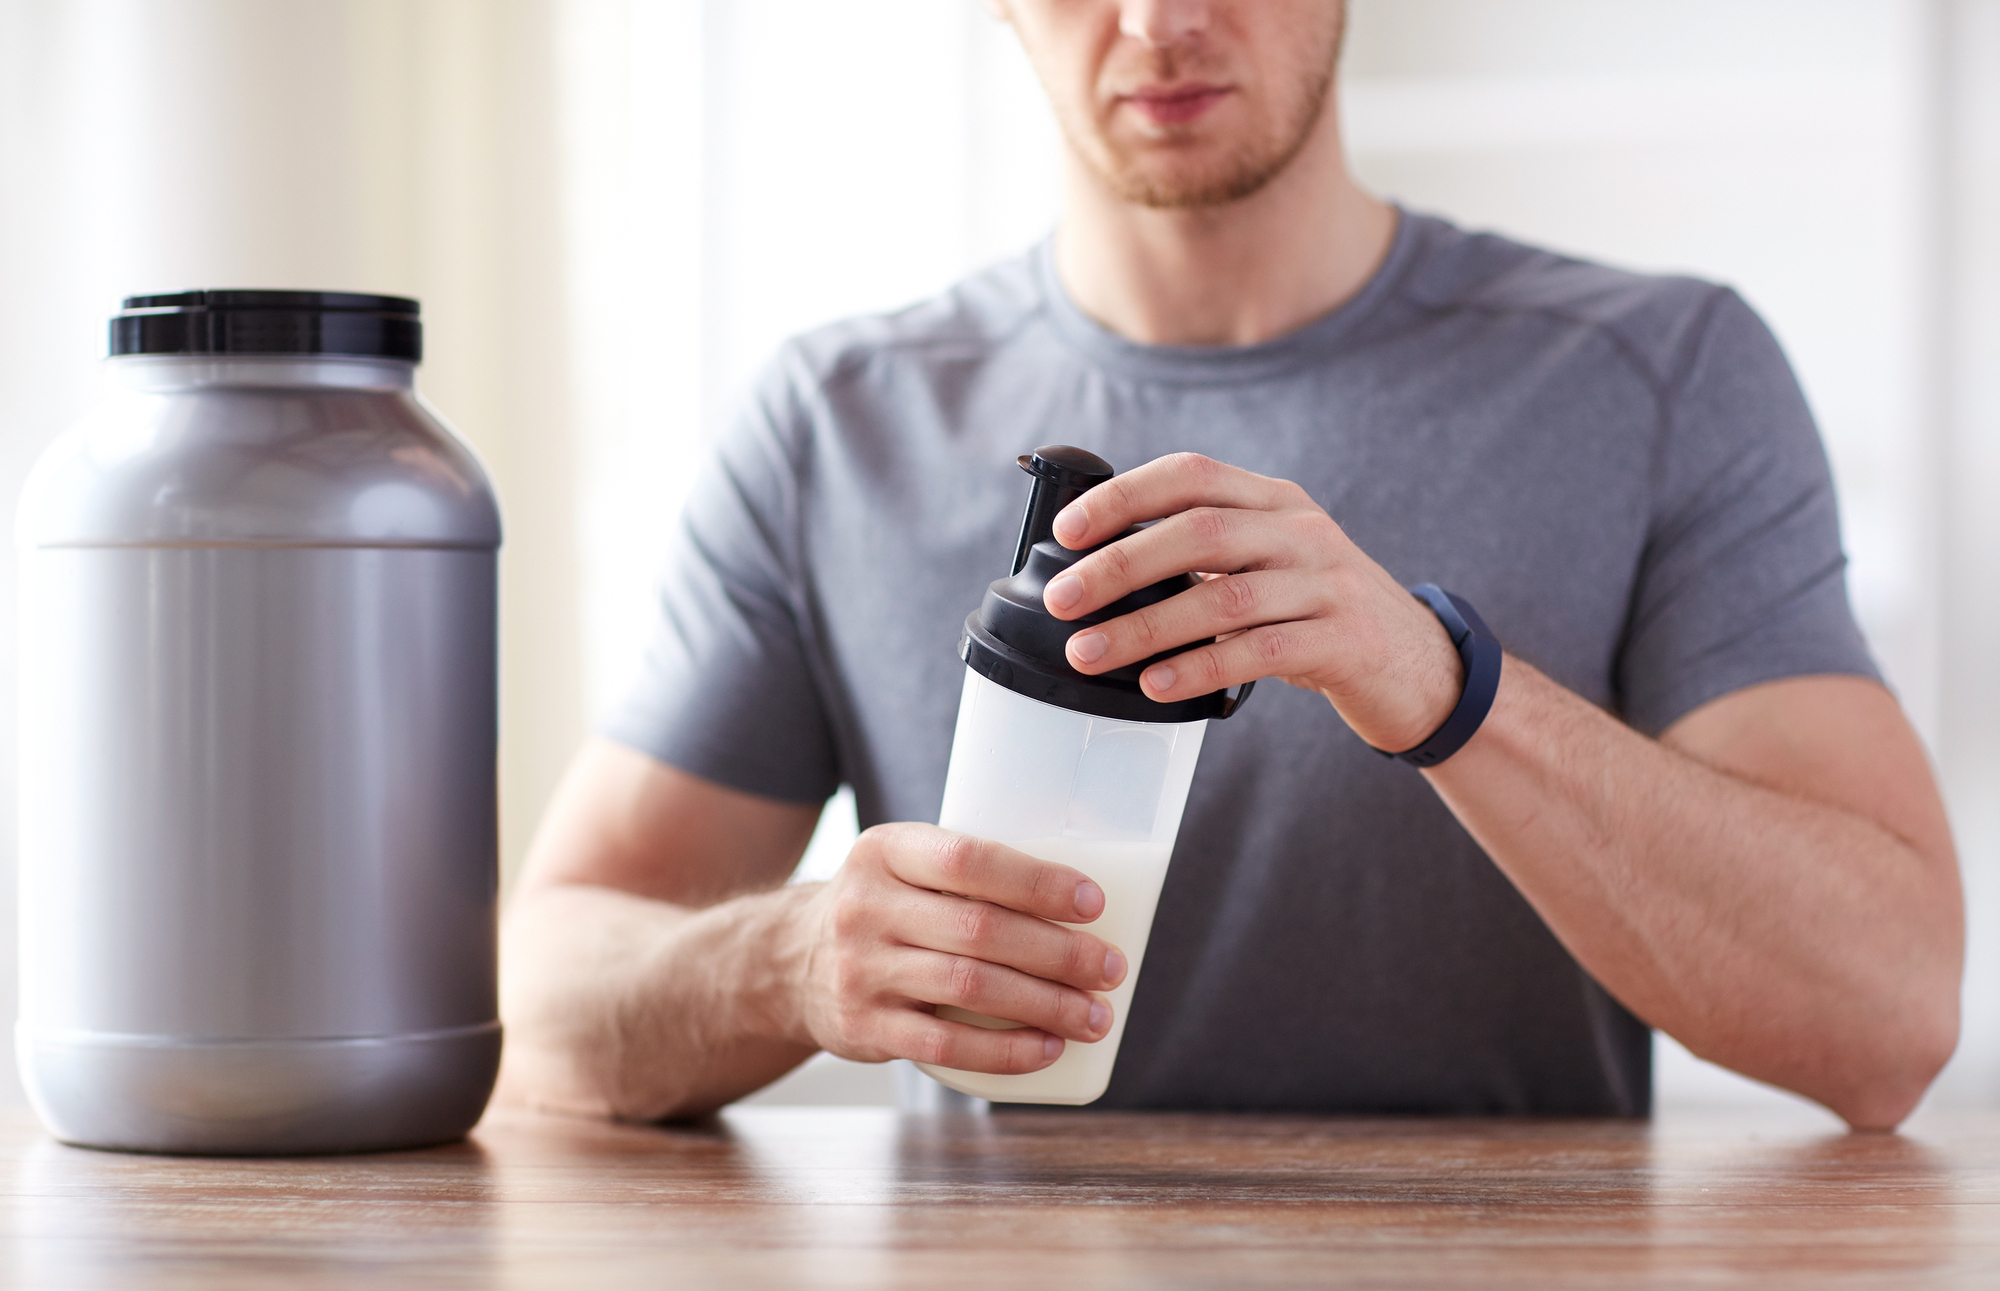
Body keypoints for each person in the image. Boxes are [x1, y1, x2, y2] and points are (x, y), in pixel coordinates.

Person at [495, 0, 1963, 1129]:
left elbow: (1889, 1017)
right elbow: (538, 1001)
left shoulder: (1661, 378)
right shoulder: (836, 426)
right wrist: (794, 960)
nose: (1159, 21)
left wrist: (1440, 684)